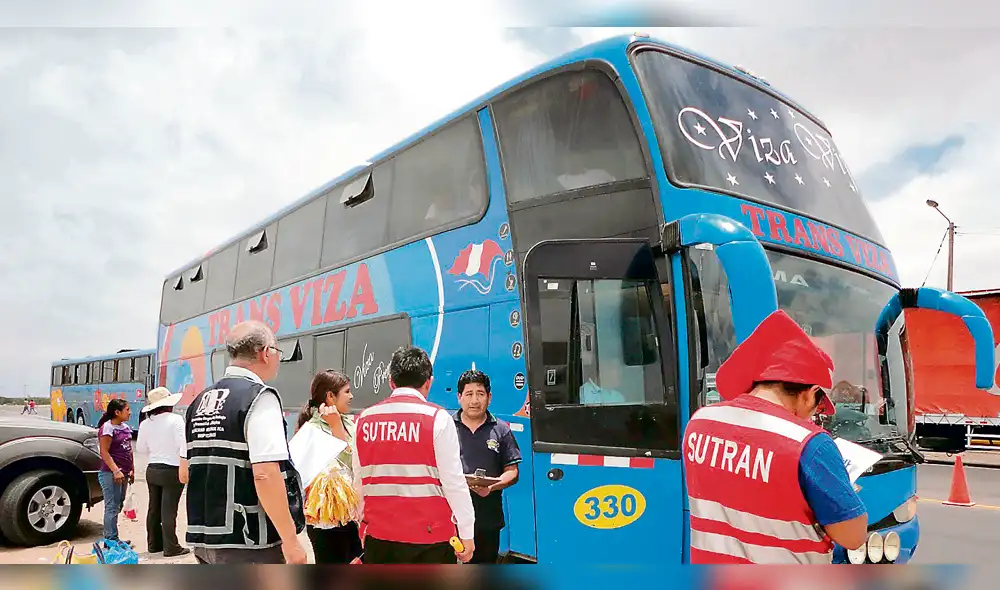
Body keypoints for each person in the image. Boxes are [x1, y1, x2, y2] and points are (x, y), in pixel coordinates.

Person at [682, 310, 868, 564]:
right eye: (818, 406)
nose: (814, 416)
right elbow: (853, 536)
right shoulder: (811, 444)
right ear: (809, 392)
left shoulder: (700, 422)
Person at [184, 320, 307, 565]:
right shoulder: (259, 398)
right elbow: (265, 474)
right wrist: (291, 542)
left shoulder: (198, 402)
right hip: (248, 543)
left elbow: (186, 471)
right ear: (266, 353)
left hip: (204, 538)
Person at [352, 346, 476, 564]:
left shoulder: (363, 419)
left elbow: (358, 482)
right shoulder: (437, 419)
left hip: (379, 538)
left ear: (391, 381)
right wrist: (467, 533)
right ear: (429, 382)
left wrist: (363, 526)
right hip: (430, 540)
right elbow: (454, 482)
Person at [295, 369, 363, 564]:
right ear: (330, 396)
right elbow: (345, 463)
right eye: (347, 392)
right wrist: (335, 427)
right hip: (326, 522)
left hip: (350, 519)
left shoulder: (349, 422)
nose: (351, 396)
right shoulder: (311, 429)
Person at [453, 369, 521, 564]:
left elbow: (513, 472)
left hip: (488, 519)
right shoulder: (447, 428)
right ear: (459, 397)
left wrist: (491, 486)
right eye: (469, 394)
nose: (474, 400)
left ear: (489, 397)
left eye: (480, 394)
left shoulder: (501, 430)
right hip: (452, 519)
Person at [135, 387, 190, 558]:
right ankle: (171, 547)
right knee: (169, 510)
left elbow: (140, 448)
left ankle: (153, 544)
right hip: (171, 469)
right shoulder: (176, 420)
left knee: (153, 508)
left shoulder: (145, 423)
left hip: (152, 469)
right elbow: (183, 446)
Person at [96, 398, 134, 544]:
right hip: (110, 474)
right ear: (117, 412)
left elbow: (128, 450)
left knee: (119, 504)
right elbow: (104, 452)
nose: (130, 412)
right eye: (127, 410)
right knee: (111, 506)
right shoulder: (107, 428)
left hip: (124, 473)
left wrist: (131, 469)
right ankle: (110, 540)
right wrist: (115, 470)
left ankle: (113, 536)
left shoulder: (125, 427)